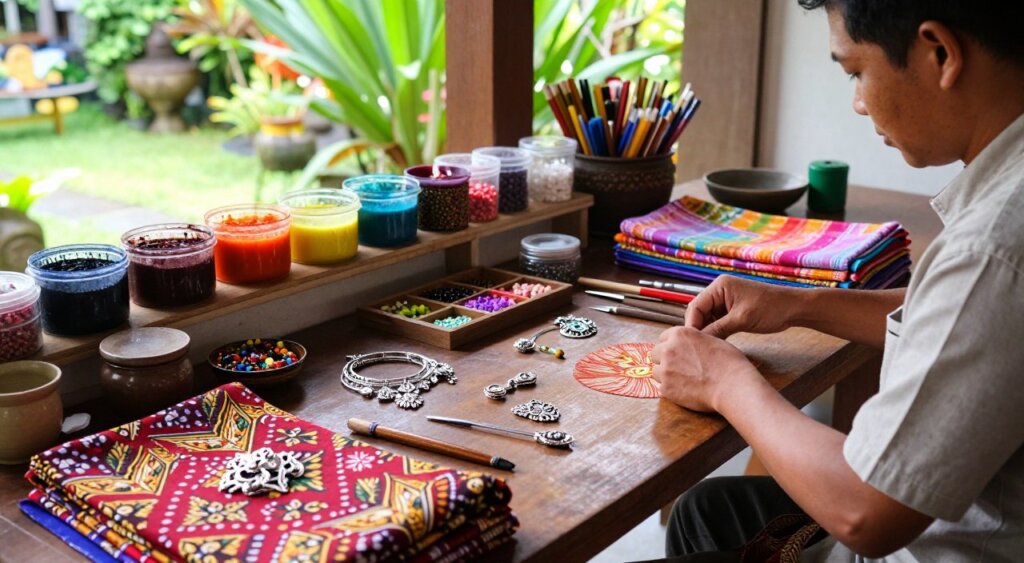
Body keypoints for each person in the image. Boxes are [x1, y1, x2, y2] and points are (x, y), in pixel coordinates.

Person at [650, 0, 1024, 561]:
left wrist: (725, 384)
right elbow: (964, 321)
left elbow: (865, 511)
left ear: (939, 53)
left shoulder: (993, 246)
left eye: (855, 71)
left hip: (935, 544)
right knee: (709, 509)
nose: (856, 102)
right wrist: (798, 303)